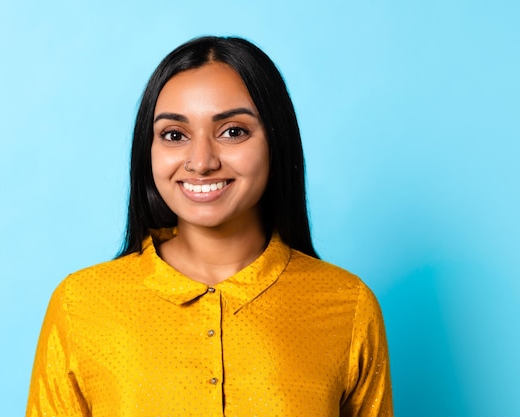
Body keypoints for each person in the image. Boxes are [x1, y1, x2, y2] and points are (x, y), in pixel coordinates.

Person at [26, 36, 393, 416]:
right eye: (174, 135)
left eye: (233, 131)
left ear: (276, 141)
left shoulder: (347, 305)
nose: (201, 162)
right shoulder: (82, 305)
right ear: (147, 150)